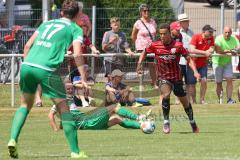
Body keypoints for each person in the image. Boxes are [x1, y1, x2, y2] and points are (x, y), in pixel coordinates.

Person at [7, 0, 88, 158]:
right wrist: (83, 77)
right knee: (64, 109)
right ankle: (76, 152)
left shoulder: (47, 23)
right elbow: (77, 54)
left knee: (24, 105)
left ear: (61, 13)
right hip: (47, 69)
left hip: (27, 65)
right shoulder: (75, 28)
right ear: (78, 15)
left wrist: (29, 66)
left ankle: (12, 139)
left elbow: (27, 46)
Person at [137, 23, 200, 134]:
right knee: (165, 94)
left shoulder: (178, 46)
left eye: (164, 34)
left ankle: (192, 121)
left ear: (169, 33)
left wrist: (195, 71)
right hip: (163, 77)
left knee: (185, 102)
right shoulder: (155, 45)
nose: (162, 36)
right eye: (160, 34)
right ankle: (166, 121)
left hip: (176, 78)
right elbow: (145, 51)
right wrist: (139, 64)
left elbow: (188, 59)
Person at [49, 80, 150, 131]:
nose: (71, 90)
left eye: (72, 89)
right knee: (114, 107)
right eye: (68, 89)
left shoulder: (69, 99)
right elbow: (50, 115)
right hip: (88, 122)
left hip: (89, 122)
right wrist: (55, 129)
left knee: (116, 119)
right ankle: (139, 117)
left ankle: (142, 125)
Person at [131, 3, 157, 88]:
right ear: (141, 12)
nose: (147, 12)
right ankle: (141, 84)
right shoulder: (138, 23)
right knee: (140, 65)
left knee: (152, 65)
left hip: (151, 47)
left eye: (148, 10)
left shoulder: (153, 22)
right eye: (144, 11)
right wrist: (137, 44)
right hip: (141, 47)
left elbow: (154, 34)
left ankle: (154, 83)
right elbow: (133, 36)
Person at [188, 24, 215, 104]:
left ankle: (202, 100)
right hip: (192, 64)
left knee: (204, 81)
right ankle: (193, 101)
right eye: (210, 31)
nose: (211, 33)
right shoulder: (196, 37)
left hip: (203, 64)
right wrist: (205, 52)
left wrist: (209, 51)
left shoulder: (211, 38)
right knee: (192, 84)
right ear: (204, 31)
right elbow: (192, 49)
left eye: (212, 32)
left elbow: (212, 48)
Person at [213, 26, 239, 104]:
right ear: (223, 32)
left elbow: (238, 46)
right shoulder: (218, 38)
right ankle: (220, 100)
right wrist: (230, 51)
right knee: (219, 83)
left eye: (229, 32)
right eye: (226, 32)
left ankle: (229, 99)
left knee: (229, 80)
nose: (227, 34)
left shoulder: (234, 38)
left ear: (231, 32)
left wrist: (236, 50)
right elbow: (218, 50)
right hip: (217, 63)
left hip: (228, 62)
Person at [178, 13, 194, 102]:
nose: (187, 23)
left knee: (189, 82)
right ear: (181, 23)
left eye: (187, 21)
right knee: (178, 82)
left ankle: (188, 99)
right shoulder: (177, 33)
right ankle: (178, 100)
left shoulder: (191, 32)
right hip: (180, 61)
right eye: (185, 21)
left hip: (189, 60)